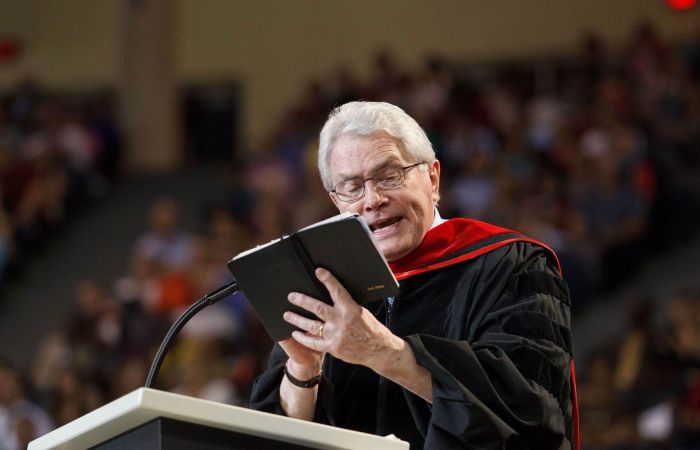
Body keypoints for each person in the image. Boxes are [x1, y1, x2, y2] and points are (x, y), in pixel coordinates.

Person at [250, 101, 578, 449]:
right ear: (336, 202)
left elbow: (531, 411)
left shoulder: (511, 266)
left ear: (433, 178)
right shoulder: (325, 289)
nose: (372, 200)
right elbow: (274, 437)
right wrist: (302, 369)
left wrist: (384, 352)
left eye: (389, 176)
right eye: (351, 187)